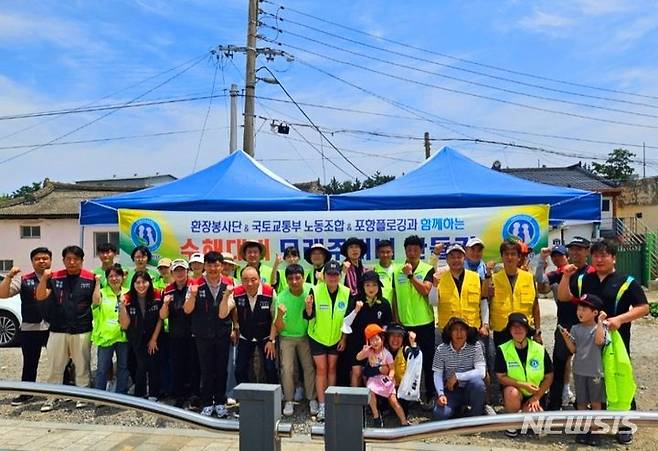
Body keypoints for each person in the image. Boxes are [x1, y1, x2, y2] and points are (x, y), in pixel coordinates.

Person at [558, 238, 649, 444]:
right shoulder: (584, 280)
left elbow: (643, 307)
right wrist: (565, 276)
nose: (599, 259)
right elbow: (564, 297)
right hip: (588, 343)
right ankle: (592, 424)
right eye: (596, 255)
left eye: (604, 255)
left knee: (619, 378)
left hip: (616, 342)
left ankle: (625, 424)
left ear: (613, 258)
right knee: (593, 383)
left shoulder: (627, 281)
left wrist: (619, 319)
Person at [36, 245, 96, 412]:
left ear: (82, 261)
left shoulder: (90, 278)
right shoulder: (54, 277)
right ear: (63, 260)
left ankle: (82, 396)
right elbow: (40, 296)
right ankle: (51, 398)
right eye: (68, 259)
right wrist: (43, 279)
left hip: (82, 329)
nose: (72, 262)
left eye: (76, 259)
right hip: (58, 329)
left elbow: (96, 302)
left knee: (82, 364)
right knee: (55, 365)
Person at [0, 247, 52, 406]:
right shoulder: (24, 280)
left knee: (60, 361)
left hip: (53, 327)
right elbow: (3, 294)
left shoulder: (56, 278)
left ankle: (64, 391)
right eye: (38, 258)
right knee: (30, 362)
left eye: (45, 258)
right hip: (30, 327)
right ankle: (27, 393)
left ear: (50, 260)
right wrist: (9, 276)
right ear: (32, 261)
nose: (42, 261)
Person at [304, 260, 355, 421]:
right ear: (324, 276)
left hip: (336, 338)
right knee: (321, 370)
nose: (332, 278)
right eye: (329, 274)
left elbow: (348, 320)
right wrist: (309, 308)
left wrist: (344, 338)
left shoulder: (347, 293)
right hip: (317, 336)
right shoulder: (315, 290)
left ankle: (331, 402)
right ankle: (322, 406)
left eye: (335, 274)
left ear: (340, 276)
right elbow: (308, 315)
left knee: (332, 369)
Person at [184, 251, 232, 417]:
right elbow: (187, 309)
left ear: (221, 266)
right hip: (202, 334)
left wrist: (235, 328)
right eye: (210, 265)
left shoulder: (229, 283)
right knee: (205, 369)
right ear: (205, 266)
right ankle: (206, 403)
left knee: (221, 369)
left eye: (216, 265)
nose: (213, 268)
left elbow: (233, 310)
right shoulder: (195, 284)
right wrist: (193, 295)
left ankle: (220, 401)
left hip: (223, 333)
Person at [392, 235, 436, 408]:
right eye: (409, 249)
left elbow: (426, 290)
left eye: (415, 249)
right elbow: (395, 297)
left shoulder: (427, 269)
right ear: (405, 251)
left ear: (421, 251)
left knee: (427, 361)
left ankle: (430, 395)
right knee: (406, 362)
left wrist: (410, 276)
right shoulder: (397, 271)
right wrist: (396, 320)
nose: (412, 252)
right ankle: (407, 398)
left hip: (424, 323)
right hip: (405, 325)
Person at [559, 294, 608, 446]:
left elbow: (599, 341)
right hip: (579, 371)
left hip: (596, 372)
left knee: (595, 403)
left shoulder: (600, 328)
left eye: (584, 309)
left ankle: (595, 431)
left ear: (595, 313)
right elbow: (573, 350)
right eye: (578, 308)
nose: (579, 311)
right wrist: (566, 337)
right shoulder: (575, 328)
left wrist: (600, 322)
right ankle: (584, 429)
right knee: (581, 402)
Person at [495, 313, 553, 437]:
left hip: (536, 394)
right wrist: (522, 384)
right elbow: (500, 376)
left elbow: (549, 376)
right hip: (516, 392)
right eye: (514, 327)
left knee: (536, 422)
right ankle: (513, 422)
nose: (518, 330)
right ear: (509, 330)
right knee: (511, 392)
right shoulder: (503, 349)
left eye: (521, 326)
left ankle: (522, 417)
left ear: (527, 329)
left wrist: (536, 397)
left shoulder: (539, 349)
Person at [220, 266, 278, 387]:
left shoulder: (269, 292)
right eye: (245, 279)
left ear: (259, 279)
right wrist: (226, 297)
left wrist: (272, 340)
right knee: (239, 369)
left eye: (253, 279)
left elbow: (275, 318)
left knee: (270, 367)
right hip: (245, 336)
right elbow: (222, 313)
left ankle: (276, 397)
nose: (249, 283)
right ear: (241, 280)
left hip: (266, 336)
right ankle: (245, 397)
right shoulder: (236, 292)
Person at [535, 244, 577, 410]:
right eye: (555, 256)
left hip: (582, 321)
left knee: (582, 359)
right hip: (564, 322)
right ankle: (563, 393)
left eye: (560, 255)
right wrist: (541, 260)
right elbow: (541, 282)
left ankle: (582, 395)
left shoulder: (578, 271)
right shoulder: (557, 274)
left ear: (567, 256)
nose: (557, 259)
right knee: (562, 358)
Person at [273, 264, 318, 416]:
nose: (294, 281)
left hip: (306, 336)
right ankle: (289, 401)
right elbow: (278, 326)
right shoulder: (281, 297)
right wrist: (279, 314)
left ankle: (312, 398)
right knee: (287, 369)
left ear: (303, 278)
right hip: (287, 337)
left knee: (309, 367)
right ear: (286, 280)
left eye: (297, 278)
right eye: (290, 278)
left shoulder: (311, 290)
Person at [160, 259, 200, 408]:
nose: (180, 273)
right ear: (172, 273)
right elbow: (163, 316)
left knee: (194, 367)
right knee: (178, 366)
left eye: (182, 270)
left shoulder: (195, 287)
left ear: (187, 271)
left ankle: (195, 395)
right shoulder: (168, 290)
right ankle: (180, 396)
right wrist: (165, 304)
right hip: (176, 335)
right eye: (176, 270)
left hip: (194, 334)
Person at [119, 271, 162, 400]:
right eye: (138, 282)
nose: (141, 285)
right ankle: (140, 394)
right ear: (133, 284)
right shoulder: (127, 298)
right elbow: (125, 324)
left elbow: (160, 318)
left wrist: (154, 339)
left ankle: (154, 393)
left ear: (149, 283)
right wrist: (121, 306)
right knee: (141, 365)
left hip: (154, 335)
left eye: (144, 282)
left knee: (154, 364)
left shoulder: (157, 295)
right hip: (136, 336)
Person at [432, 317, 486, 420]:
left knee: (478, 384)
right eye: (455, 330)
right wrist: (440, 394)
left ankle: (476, 418)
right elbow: (437, 373)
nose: (459, 333)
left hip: (470, 389)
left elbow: (481, 372)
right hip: (451, 390)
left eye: (462, 330)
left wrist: (457, 376)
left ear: (467, 332)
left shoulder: (475, 346)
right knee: (440, 415)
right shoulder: (441, 349)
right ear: (450, 333)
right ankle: (459, 410)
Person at [490, 239, 541, 348]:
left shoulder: (529, 277)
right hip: (501, 331)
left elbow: (535, 305)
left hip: (524, 329)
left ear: (519, 257)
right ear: (502, 257)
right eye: (506, 254)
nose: (509, 257)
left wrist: (538, 330)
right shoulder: (493, 279)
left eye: (513, 254)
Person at [356, 323, 409, 427]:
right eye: (371, 340)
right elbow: (358, 358)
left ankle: (404, 422)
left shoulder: (387, 354)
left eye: (377, 339)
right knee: (370, 391)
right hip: (374, 379)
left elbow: (392, 368)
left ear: (382, 339)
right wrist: (364, 351)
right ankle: (376, 415)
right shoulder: (370, 352)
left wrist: (390, 377)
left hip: (386, 380)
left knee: (393, 401)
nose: (374, 342)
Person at [345, 271, 392, 387]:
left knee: (370, 374)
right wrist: (356, 310)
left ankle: (371, 403)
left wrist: (381, 345)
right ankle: (354, 403)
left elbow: (386, 326)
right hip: (356, 342)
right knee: (356, 372)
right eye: (367, 285)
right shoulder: (355, 300)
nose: (371, 288)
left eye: (374, 285)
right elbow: (346, 323)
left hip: (375, 345)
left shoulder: (384, 304)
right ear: (363, 286)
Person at [429, 244, 486, 334]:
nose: (456, 260)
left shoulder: (476, 277)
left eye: (459, 257)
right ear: (447, 260)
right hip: (448, 330)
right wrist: (435, 286)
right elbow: (433, 302)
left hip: (472, 329)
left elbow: (483, 302)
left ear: (465, 258)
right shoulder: (439, 277)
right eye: (452, 257)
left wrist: (485, 324)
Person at [92, 263, 129, 394]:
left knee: (123, 367)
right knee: (102, 368)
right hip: (106, 337)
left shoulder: (128, 292)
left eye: (117, 275)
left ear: (122, 277)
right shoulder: (102, 293)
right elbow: (95, 303)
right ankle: (99, 395)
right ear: (107, 279)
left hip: (123, 337)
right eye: (111, 276)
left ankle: (121, 394)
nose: (114, 278)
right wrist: (97, 283)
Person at [385, 323, 419, 414]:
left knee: (403, 407)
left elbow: (417, 357)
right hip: (386, 386)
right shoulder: (382, 351)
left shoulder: (406, 350)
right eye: (392, 335)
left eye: (399, 336)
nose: (396, 339)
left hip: (402, 389)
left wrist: (413, 343)